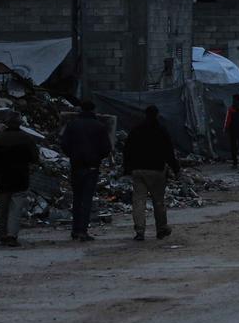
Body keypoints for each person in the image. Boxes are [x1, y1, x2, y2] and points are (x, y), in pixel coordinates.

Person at [123, 105, 181, 241]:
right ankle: (161, 229)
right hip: (156, 170)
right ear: (157, 114)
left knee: (139, 201)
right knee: (158, 201)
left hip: (138, 170)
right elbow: (169, 152)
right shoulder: (161, 130)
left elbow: (127, 150)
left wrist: (127, 169)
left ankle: (140, 231)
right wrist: (176, 169)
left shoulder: (136, 129)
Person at [60, 101, 111, 242]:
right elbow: (106, 148)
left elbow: (64, 144)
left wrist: (73, 155)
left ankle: (75, 229)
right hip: (92, 167)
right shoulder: (100, 126)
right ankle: (83, 230)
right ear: (93, 109)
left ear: (80, 109)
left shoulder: (72, 125)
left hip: (76, 165)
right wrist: (97, 158)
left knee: (77, 197)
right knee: (87, 199)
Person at [0, 112, 39, 247]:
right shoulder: (26, 138)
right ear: (20, 124)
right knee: (16, 208)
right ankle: (11, 235)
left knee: (3, 207)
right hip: (20, 177)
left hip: (2, 177)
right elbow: (34, 157)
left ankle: (3, 234)